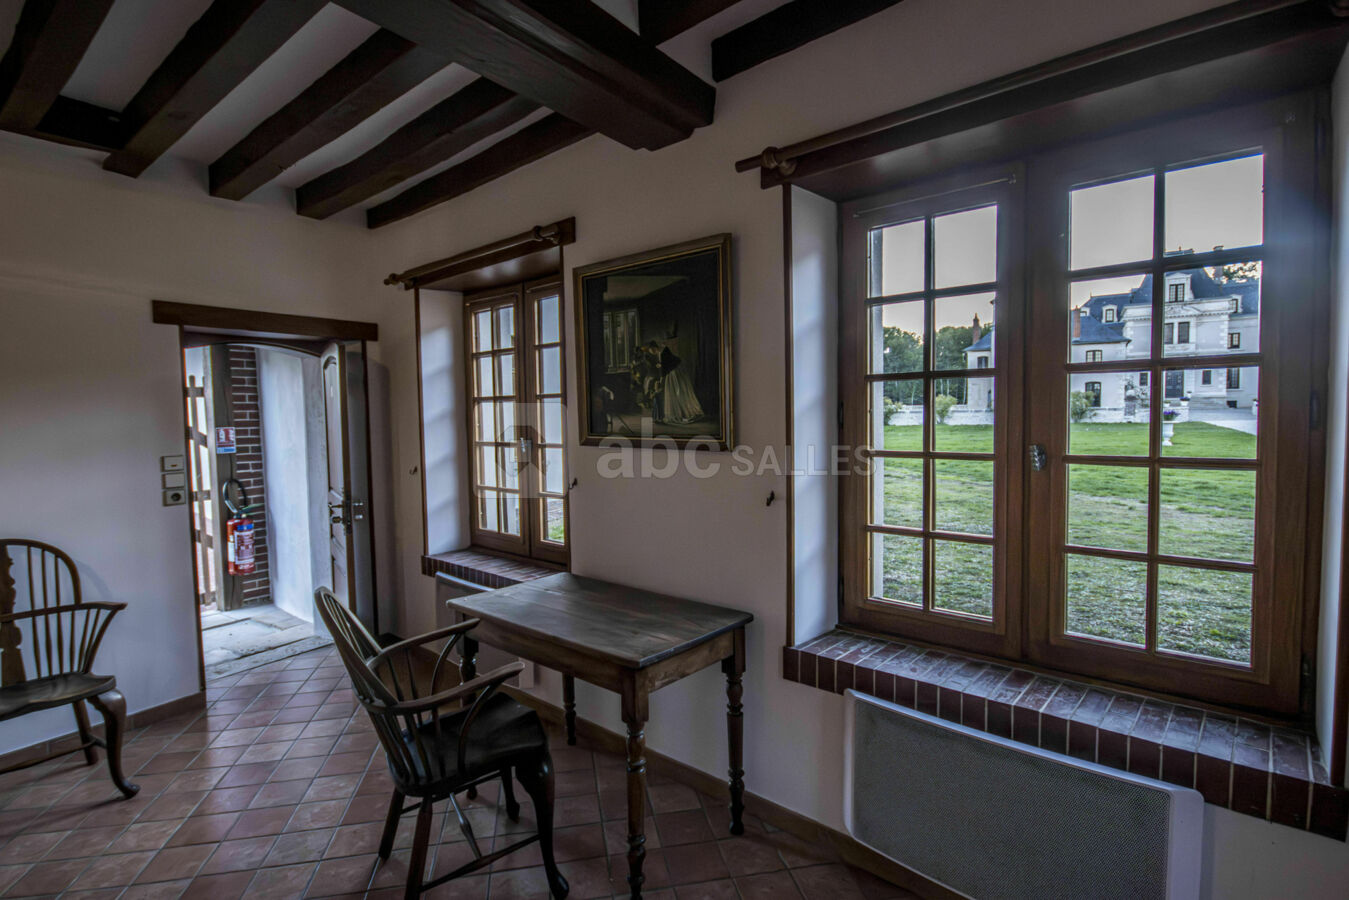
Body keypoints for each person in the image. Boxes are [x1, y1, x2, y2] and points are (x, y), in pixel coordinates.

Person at [653, 326, 703, 425]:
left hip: (673, 373)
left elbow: (665, 367)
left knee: (677, 393)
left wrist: (661, 378)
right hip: (678, 371)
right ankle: (685, 413)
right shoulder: (667, 350)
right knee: (681, 393)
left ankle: (682, 414)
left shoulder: (664, 352)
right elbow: (669, 363)